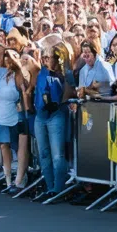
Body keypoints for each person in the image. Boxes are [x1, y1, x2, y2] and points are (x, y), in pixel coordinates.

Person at [0, 48, 30, 193]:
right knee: (4, 146)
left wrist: (15, 60)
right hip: (1, 115)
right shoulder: (3, 74)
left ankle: (20, 178)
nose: (7, 60)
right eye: (6, 57)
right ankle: (8, 181)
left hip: (16, 116)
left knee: (19, 148)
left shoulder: (20, 75)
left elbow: (25, 93)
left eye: (10, 57)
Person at [33, 42, 73, 198]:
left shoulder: (65, 75)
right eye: (44, 58)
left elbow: (71, 91)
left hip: (56, 115)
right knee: (43, 154)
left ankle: (58, 188)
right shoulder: (41, 72)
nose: (45, 60)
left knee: (57, 155)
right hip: (40, 116)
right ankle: (50, 187)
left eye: (49, 57)